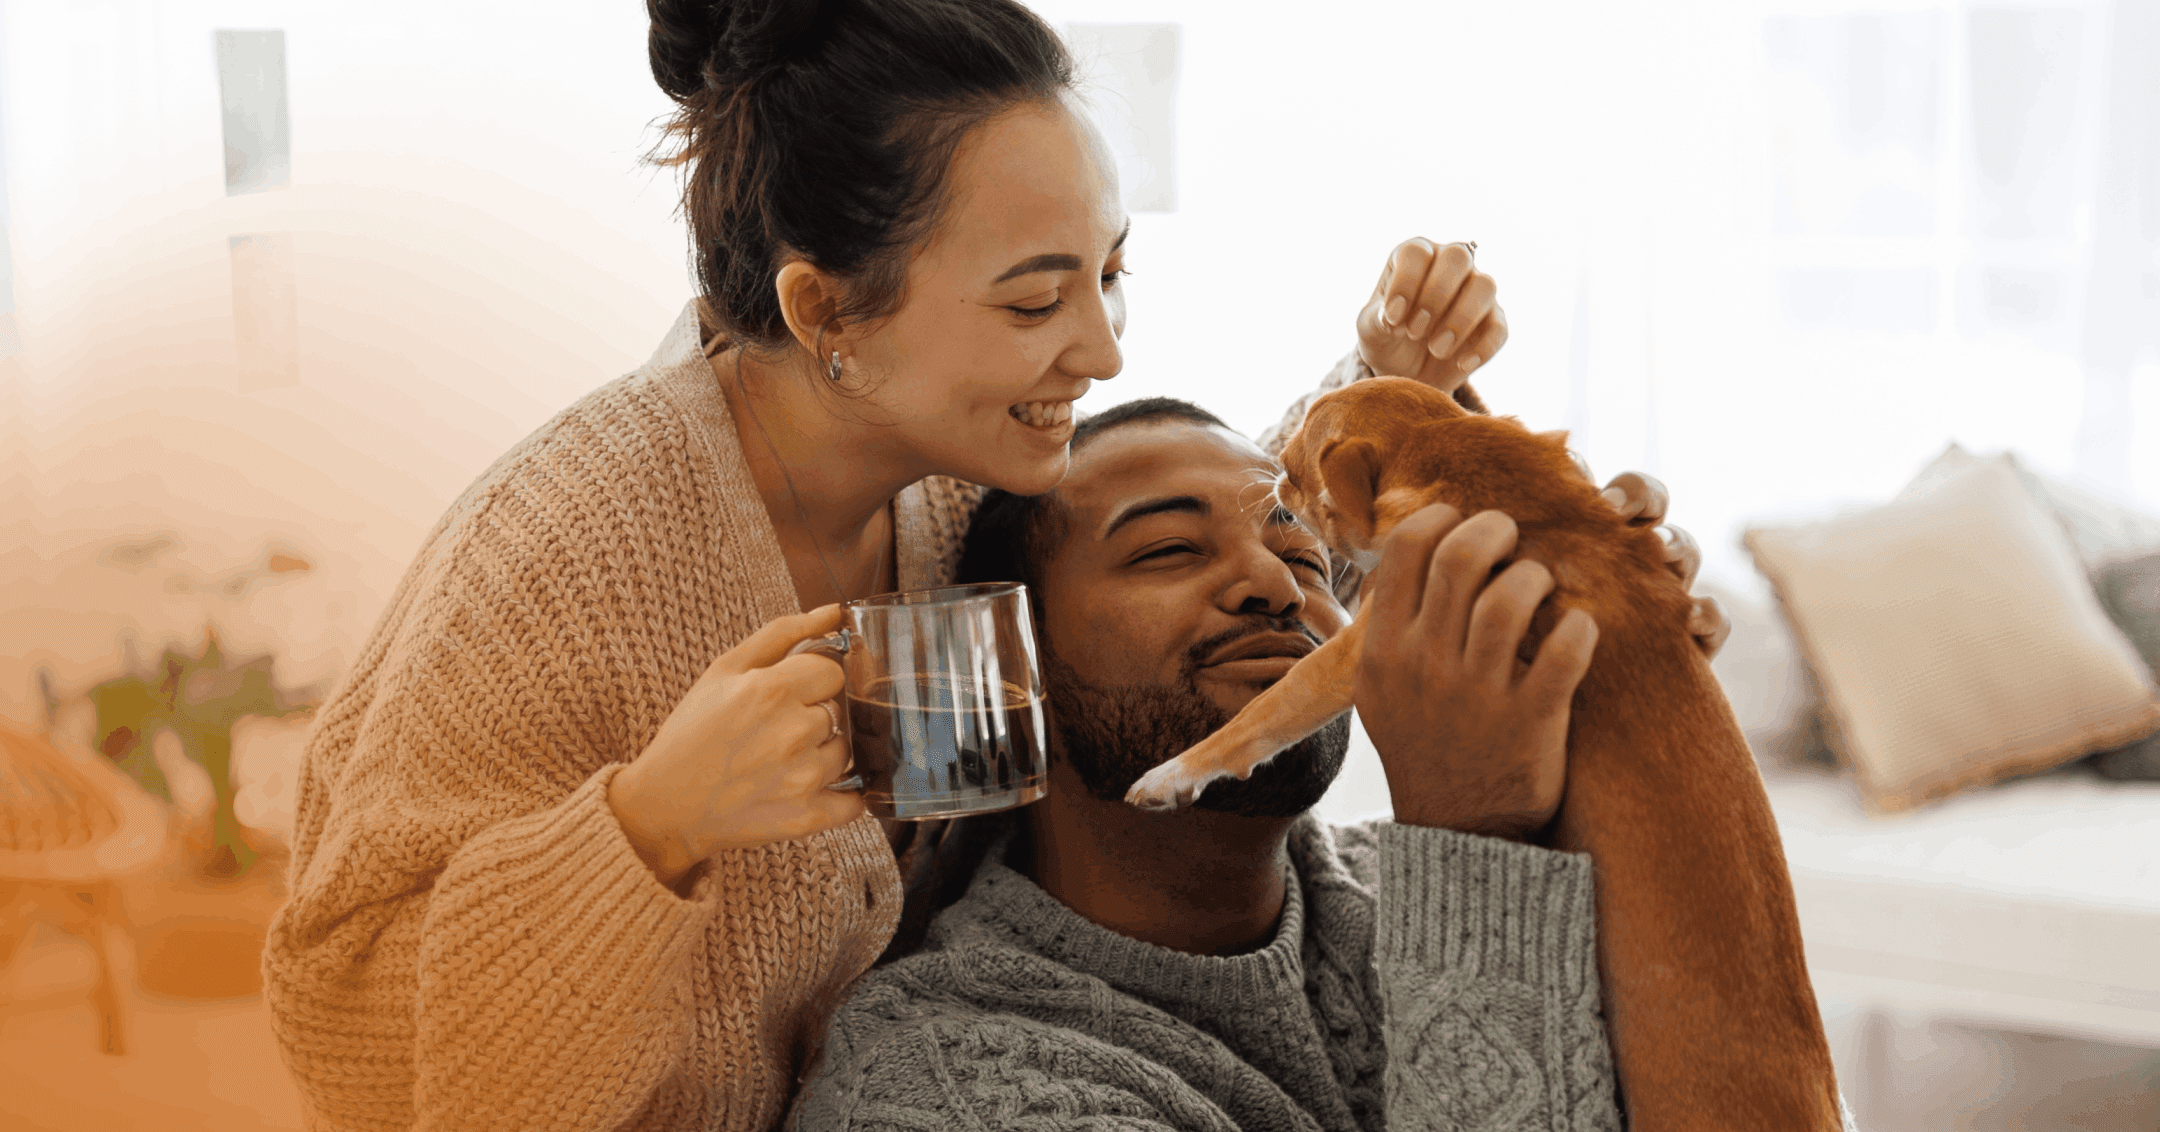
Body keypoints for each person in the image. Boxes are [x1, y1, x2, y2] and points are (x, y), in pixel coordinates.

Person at [260, 3, 1716, 1132]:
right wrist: (648, 829)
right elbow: (344, 1014)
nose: (1103, 348)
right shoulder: (569, 551)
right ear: (829, 308)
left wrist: (1397, 434)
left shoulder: (953, 456)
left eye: (1110, 270)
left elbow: (1139, 551)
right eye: (1039, 299)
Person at [794, 397, 1634, 1129]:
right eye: (1168, 550)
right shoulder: (938, 1084)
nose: (1275, 583)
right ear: (1013, 670)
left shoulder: (1410, 882)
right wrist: (1466, 844)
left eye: (1308, 559)